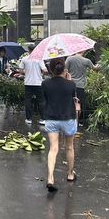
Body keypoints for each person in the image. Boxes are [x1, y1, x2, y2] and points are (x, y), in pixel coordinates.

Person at [42, 58, 79, 192]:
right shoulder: (71, 84)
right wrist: (68, 80)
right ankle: (70, 174)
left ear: (51, 70)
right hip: (68, 118)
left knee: (53, 149)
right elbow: (73, 97)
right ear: (64, 69)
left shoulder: (45, 84)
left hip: (51, 119)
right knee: (69, 147)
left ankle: (50, 178)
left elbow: (45, 100)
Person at [65, 51, 99, 122]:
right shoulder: (87, 61)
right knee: (78, 103)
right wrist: (101, 63)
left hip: (70, 84)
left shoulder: (69, 59)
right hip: (80, 86)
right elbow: (95, 68)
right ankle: (76, 122)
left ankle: (68, 119)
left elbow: (64, 70)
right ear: (83, 51)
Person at [18, 46, 47, 125]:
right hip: (38, 83)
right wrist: (41, 74)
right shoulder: (39, 59)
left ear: (29, 50)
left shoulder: (24, 59)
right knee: (41, 101)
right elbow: (45, 70)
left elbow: (20, 70)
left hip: (28, 83)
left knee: (28, 100)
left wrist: (26, 73)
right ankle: (43, 119)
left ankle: (29, 119)